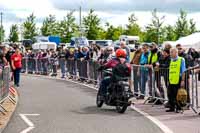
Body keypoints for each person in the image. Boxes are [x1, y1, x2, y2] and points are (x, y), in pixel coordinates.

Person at [167, 48, 186, 112]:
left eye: (172, 52)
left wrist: (183, 80)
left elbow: (183, 71)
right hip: (171, 79)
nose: (170, 54)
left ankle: (179, 107)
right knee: (170, 94)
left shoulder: (181, 59)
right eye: (170, 52)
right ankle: (172, 107)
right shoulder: (171, 60)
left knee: (177, 94)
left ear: (176, 52)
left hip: (178, 79)